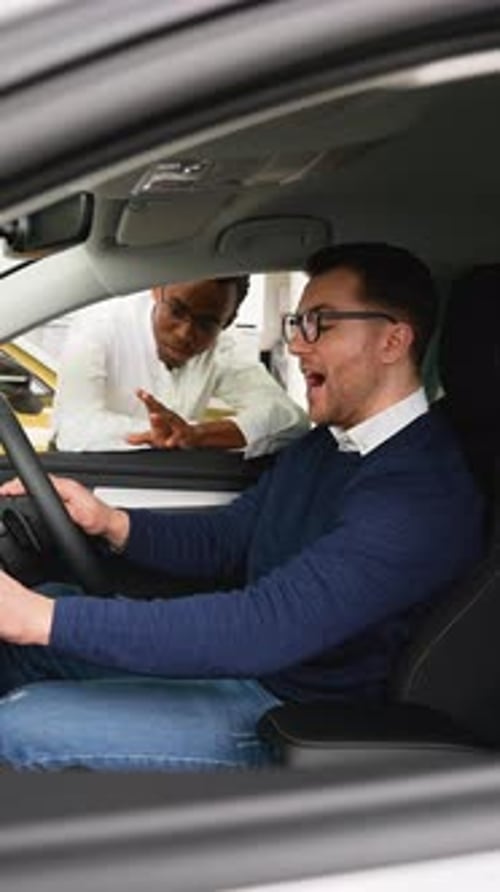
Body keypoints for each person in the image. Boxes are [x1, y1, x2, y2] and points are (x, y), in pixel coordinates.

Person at [0, 243, 484, 772]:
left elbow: (266, 624)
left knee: (19, 727)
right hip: (254, 672)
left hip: (294, 716)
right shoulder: (326, 446)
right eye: (297, 322)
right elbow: (230, 538)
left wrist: (40, 618)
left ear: (393, 340)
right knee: (34, 632)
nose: (297, 345)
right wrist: (111, 522)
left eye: (320, 323)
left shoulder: (421, 493)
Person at [54, 276, 309, 456]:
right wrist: (171, 434)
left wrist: (198, 435)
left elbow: (290, 419)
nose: (185, 333)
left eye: (206, 323)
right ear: (156, 289)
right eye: (176, 311)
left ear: (228, 321)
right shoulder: (99, 326)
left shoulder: (222, 348)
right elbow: (74, 429)